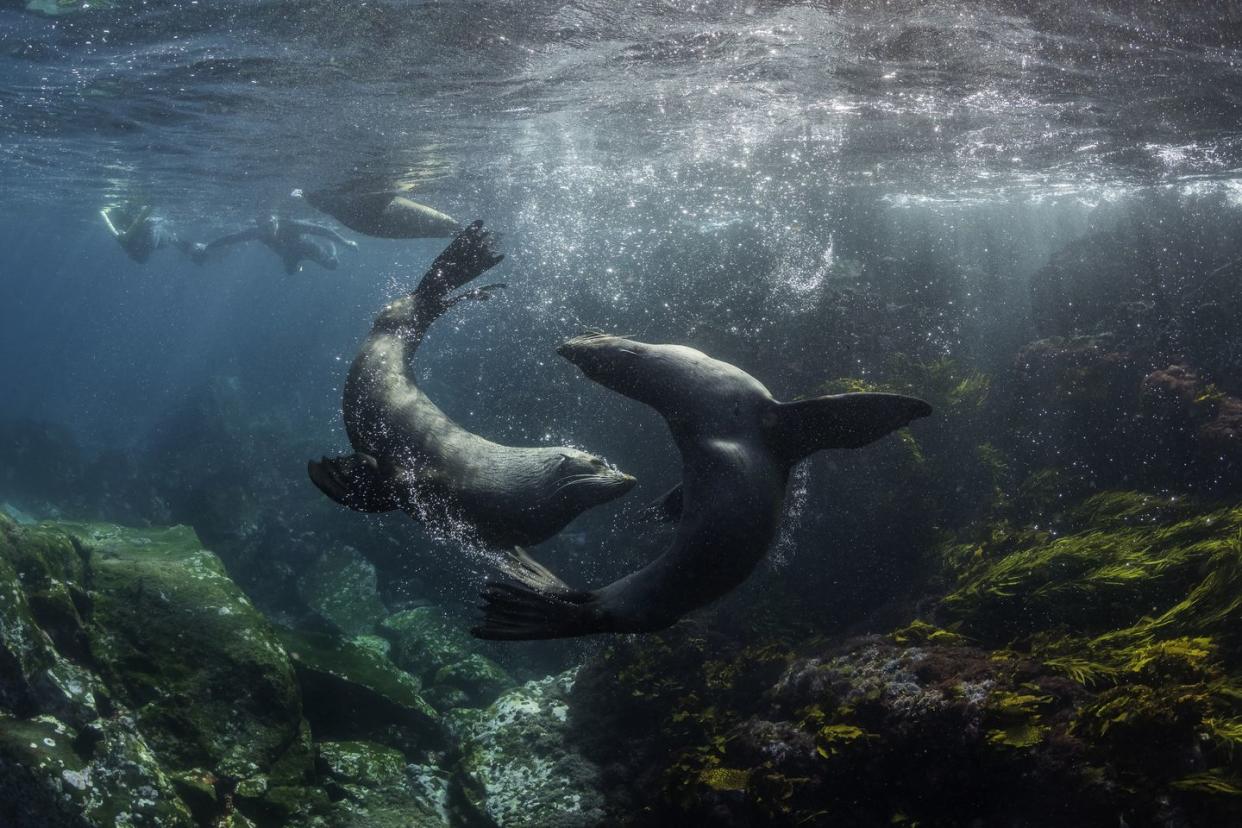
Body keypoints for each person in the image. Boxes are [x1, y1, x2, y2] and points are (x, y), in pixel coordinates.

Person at [192, 214, 359, 273]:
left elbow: (323, 230)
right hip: (288, 254)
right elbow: (231, 238)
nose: (269, 230)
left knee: (332, 265)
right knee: (290, 272)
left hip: (308, 247)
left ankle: (332, 251)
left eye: (271, 225)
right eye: (264, 228)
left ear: (276, 221)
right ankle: (300, 264)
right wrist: (207, 246)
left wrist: (345, 242)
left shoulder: (291, 224)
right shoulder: (256, 232)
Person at [100, 203, 185, 263]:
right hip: (145, 230)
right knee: (165, 239)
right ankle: (181, 243)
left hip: (137, 227)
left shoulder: (128, 243)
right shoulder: (146, 244)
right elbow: (148, 221)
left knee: (165, 239)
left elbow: (144, 220)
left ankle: (180, 242)